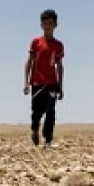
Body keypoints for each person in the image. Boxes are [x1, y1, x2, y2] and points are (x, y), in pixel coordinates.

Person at [23, 9, 64, 149]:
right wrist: (26, 82)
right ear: (41, 25)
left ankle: (47, 141)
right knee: (37, 112)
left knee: (50, 111)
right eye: (45, 23)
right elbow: (29, 62)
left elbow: (60, 66)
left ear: (55, 25)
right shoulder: (36, 42)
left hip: (52, 84)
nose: (48, 26)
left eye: (50, 23)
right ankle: (34, 129)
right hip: (37, 83)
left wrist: (60, 85)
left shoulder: (58, 45)